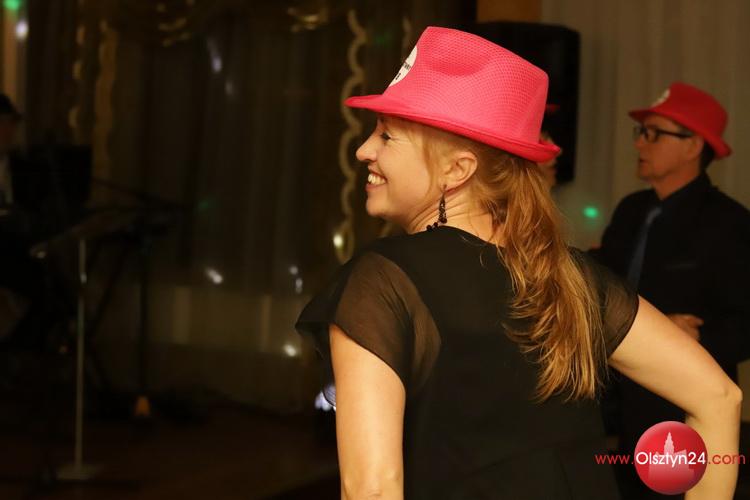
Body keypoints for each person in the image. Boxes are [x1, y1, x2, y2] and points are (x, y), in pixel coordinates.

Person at [296, 28, 740, 499]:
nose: (364, 149)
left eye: (387, 135)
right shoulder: (573, 276)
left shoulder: (383, 281)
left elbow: (372, 490)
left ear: (457, 170)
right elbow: (719, 397)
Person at [591, 82, 750, 499]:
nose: (640, 143)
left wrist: (693, 336)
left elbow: (744, 322)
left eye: (653, 134)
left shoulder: (729, 224)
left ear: (693, 146)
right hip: (615, 398)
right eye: (640, 132)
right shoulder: (631, 210)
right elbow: (603, 285)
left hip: (680, 408)